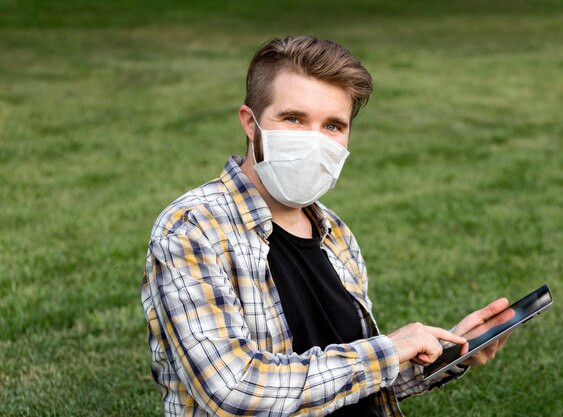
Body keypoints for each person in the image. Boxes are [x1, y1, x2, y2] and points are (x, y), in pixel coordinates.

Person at [141, 35, 510, 417]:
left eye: (333, 126)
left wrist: (448, 353)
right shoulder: (193, 229)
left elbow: (352, 380)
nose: (314, 142)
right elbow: (233, 389)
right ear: (251, 124)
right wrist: (386, 350)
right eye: (294, 119)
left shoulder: (335, 234)